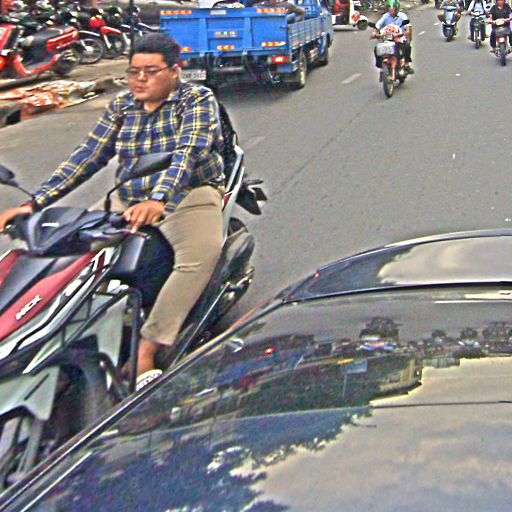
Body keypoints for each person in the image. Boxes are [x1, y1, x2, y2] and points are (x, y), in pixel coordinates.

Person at [0, 33, 225, 389]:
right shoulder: (123, 105)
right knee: (67, 248)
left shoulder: (196, 99)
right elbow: (87, 156)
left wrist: (160, 198)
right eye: (134, 71)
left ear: (175, 71)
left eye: (151, 71)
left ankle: (147, 348)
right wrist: (34, 203)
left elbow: (189, 152)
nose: (140, 79)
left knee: (199, 257)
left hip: (187, 195)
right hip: (128, 197)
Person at [372, 0, 414, 74]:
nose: (391, 10)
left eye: (393, 8)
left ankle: (406, 64)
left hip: (400, 38)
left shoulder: (403, 16)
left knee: (407, 47)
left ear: (397, 8)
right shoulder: (385, 16)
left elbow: (408, 26)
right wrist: (374, 33)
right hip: (388, 38)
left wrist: (406, 32)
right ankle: (381, 67)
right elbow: (378, 25)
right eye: (389, 8)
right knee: (377, 49)